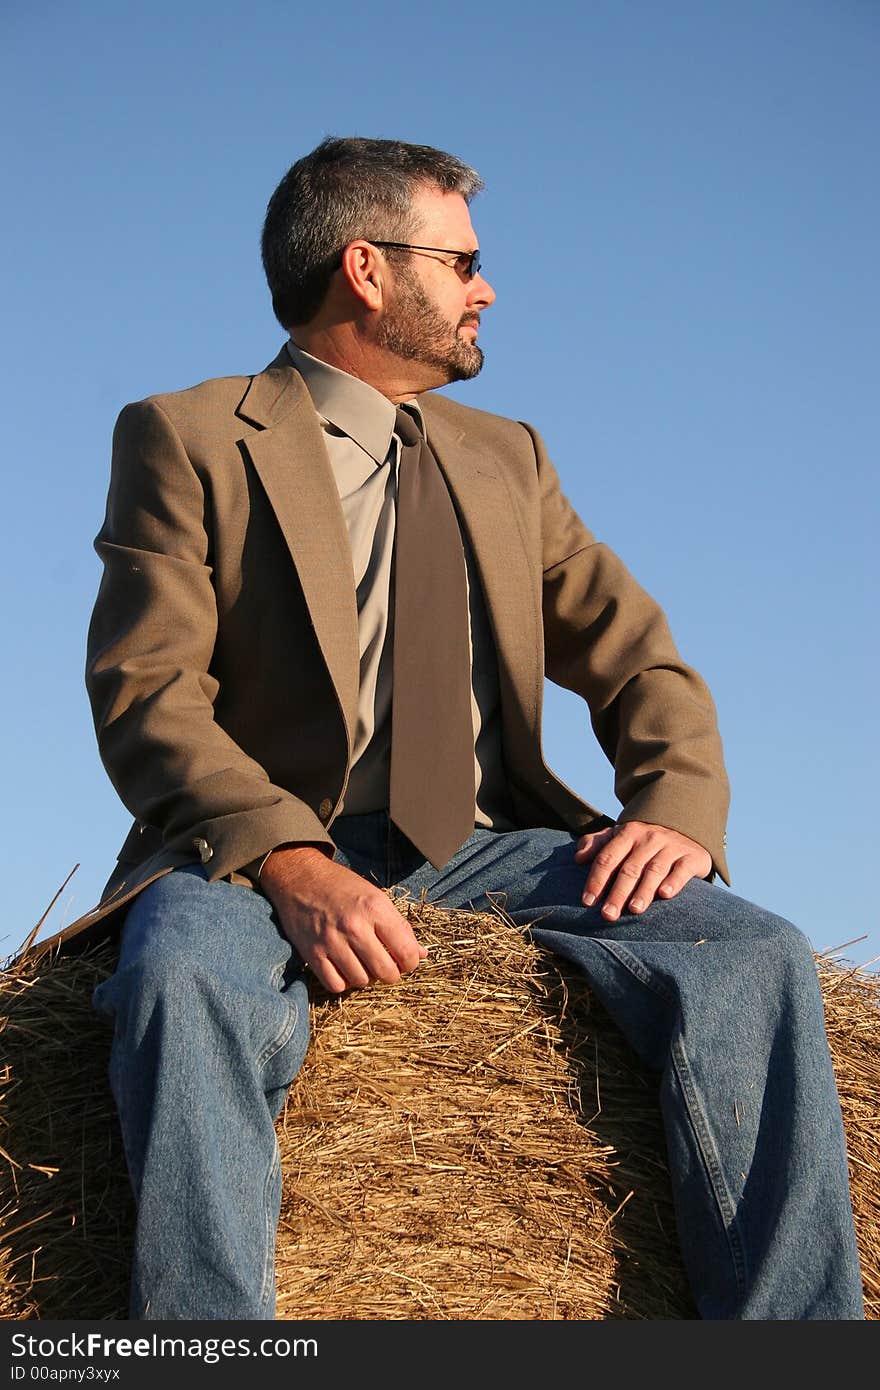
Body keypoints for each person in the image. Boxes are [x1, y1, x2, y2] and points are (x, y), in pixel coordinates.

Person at [56, 137, 862, 1320]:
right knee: (181, 976)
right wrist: (288, 861)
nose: (488, 287)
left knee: (750, 953)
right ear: (368, 268)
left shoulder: (509, 458)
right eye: (465, 260)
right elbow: (147, 686)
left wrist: (675, 806)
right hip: (251, 853)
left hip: (490, 845)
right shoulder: (187, 436)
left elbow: (637, 653)